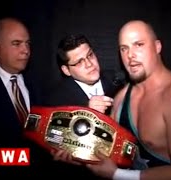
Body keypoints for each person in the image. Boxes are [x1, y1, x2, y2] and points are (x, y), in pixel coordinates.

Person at [84, 20, 171, 180]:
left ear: (157, 47)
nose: (130, 55)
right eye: (124, 48)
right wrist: (75, 148)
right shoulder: (122, 97)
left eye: (139, 44)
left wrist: (117, 175)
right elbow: (106, 148)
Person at [0, 17, 52, 177]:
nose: (26, 50)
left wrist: (54, 150)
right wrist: (28, 158)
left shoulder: (37, 81)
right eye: (16, 43)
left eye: (28, 43)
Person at [44, 34, 123, 179]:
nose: (89, 64)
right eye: (79, 62)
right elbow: (54, 144)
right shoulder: (55, 101)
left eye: (90, 55)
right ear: (66, 70)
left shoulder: (117, 81)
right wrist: (87, 112)